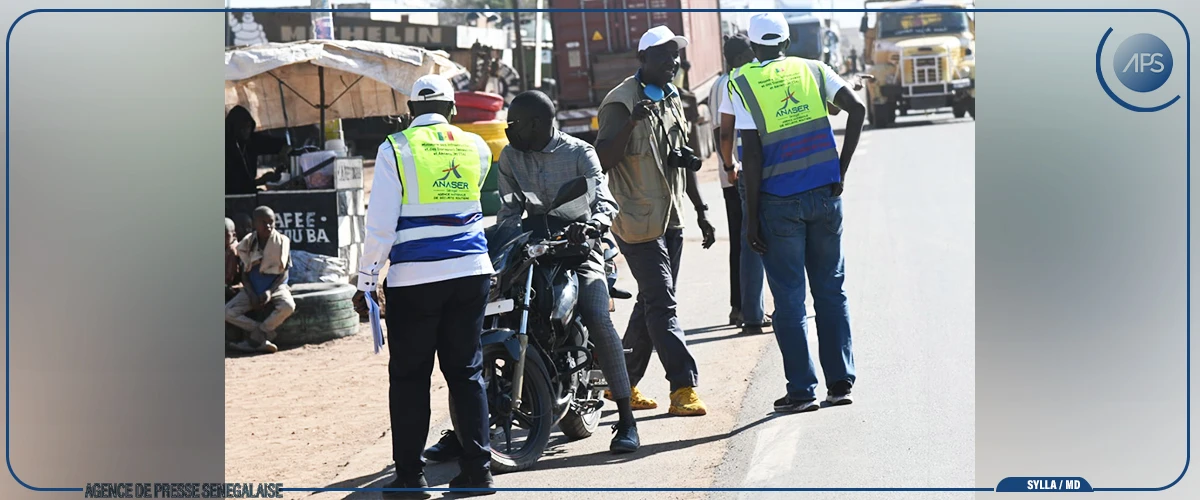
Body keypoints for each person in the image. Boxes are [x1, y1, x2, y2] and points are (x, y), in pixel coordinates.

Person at [424, 91, 640, 461]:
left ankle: (625, 418)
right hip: (532, 245)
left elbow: (605, 201)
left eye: (515, 122)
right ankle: (467, 427)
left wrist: (592, 226)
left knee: (596, 314)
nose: (509, 129)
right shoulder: (510, 157)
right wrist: (499, 250)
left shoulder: (579, 153)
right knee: (490, 311)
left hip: (579, 248)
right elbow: (508, 212)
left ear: (538, 124)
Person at [351, 74, 496, 499]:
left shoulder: (395, 147)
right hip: (471, 272)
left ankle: (411, 478)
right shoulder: (475, 146)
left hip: (415, 280)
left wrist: (366, 279)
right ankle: (478, 471)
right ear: (452, 110)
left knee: (411, 377)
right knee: (467, 371)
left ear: (410, 112)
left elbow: (379, 223)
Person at [722, 13, 864, 413]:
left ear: (753, 47)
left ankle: (802, 391)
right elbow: (857, 110)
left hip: (778, 202)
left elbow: (750, 151)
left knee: (789, 300)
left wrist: (750, 219)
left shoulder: (742, 81)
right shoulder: (815, 70)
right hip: (824, 195)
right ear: (787, 41)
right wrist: (841, 169)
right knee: (831, 291)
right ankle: (840, 383)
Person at [594, 25, 716, 417]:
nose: (673, 64)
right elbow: (602, 161)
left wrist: (701, 210)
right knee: (663, 305)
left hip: (671, 218)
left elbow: (678, 155)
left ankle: (622, 382)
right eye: (665, 59)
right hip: (635, 221)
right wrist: (631, 122)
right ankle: (682, 387)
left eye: (676, 58)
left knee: (651, 301)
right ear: (642, 60)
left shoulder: (672, 96)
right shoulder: (620, 102)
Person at [712, 34, 773, 335]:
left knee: (746, 241)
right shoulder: (733, 82)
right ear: (737, 58)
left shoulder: (727, 81)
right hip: (738, 173)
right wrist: (729, 166)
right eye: (750, 53)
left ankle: (747, 308)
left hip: (737, 170)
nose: (755, 56)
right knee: (747, 242)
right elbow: (721, 132)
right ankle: (748, 309)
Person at [225, 206, 295, 354]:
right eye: (263, 222)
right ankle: (260, 332)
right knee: (226, 312)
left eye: (271, 222)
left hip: (275, 287)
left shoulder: (282, 242)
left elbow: (283, 273)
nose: (268, 226)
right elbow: (244, 273)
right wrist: (250, 292)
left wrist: (269, 291)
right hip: (253, 288)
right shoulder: (247, 243)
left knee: (288, 306)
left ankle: (259, 334)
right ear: (255, 224)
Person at [226, 105, 289, 195]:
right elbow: (234, 187)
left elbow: (281, 143)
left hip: (249, 193)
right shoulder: (226, 148)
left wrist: (283, 154)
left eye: (248, 127)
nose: (246, 131)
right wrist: (262, 180)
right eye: (241, 128)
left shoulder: (252, 140)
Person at [225, 218, 243, 303]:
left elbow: (229, 277)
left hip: (234, 288)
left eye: (226, 235)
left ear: (234, 235)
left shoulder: (233, 250)